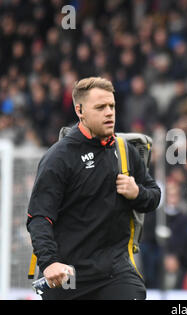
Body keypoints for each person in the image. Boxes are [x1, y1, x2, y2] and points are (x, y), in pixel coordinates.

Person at [26, 77, 161, 300]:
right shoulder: (58, 157)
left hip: (115, 272)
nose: (109, 113)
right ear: (80, 110)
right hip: (68, 273)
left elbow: (154, 196)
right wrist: (49, 263)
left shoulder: (125, 150)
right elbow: (39, 217)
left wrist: (137, 193)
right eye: (100, 107)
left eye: (112, 106)